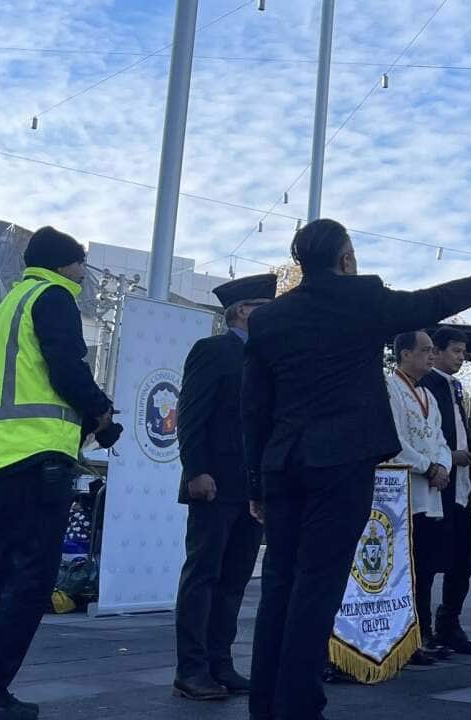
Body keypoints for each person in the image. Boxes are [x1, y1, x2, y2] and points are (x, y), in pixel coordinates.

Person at [241, 219, 471, 720]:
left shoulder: (269, 319)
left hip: (284, 465)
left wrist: (256, 482)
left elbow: (254, 407)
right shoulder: (362, 299)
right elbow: (433, 302)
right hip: (340, 464)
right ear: (346, 258)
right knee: (317, 588)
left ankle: (264, 706)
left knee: (279, 587)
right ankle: (299, 707)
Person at [0, 227, 120, 720]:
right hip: (38, 456)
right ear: (63, 265)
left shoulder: (10, 304)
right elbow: (65, 368)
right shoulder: (54, 297)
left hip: (0, 456)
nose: (84, 273)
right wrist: (100, 410)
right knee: (30, 579)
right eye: (80, 263)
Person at [173, 274, 275, 701]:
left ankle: (220, 662)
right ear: (243, 310)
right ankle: (191, 669)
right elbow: (191, 414)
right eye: (266, 307)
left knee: (234, 580)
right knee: (203, 576)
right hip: (214, 483)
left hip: (252, 489)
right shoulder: (213, 350)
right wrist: (196, 470)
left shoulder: (267, 357)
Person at [415, 326, 471, 655]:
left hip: (461, 484)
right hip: (437, 483)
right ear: (437, 352)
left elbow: (456, 428)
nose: (461, 358)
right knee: (429, 559)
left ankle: (450, 623)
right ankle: (422, 629)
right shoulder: (426, 385)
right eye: (455, 351)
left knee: (462, 560)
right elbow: (428, 435)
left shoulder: (453, 387)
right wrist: (448, 457)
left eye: (463, 352)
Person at [384, 330, 453, 665]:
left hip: (429, 495)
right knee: (402, 571)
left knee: (424, 570)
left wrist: (443, 465)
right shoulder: (390, 388)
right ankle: (401, 639)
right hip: (401, 495)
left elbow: (440, 439)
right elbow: (392, 442)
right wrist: (428, 467)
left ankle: (421, 635)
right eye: (425, 350)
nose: (431, 356)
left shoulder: (428, 394)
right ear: (405, 354)